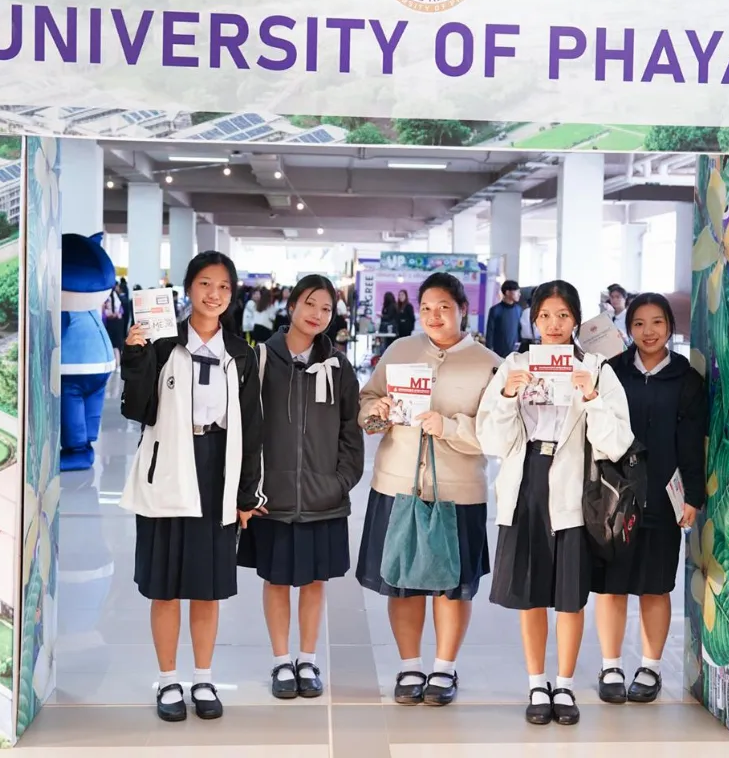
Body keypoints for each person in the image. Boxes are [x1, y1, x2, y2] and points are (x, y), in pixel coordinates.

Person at [476, 280, 633, 727]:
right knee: (530, 595)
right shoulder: (514, 365)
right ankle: (536, 682)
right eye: (544, 315)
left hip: (575, 490)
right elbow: (491, 441)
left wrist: (591, 397)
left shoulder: (596, 368)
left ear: (576, 320)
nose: (553, 324)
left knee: (569, 596)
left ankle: (563, 683)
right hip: (526, 482)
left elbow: (616, 443)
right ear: (533, 319)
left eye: (563, 315)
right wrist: (508, 396)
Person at [118, 251, 265, 723]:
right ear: (188, 289)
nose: (213, 294)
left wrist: (247, 494)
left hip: (217, 470)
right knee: (164, 586)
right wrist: (135, 356)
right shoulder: (163, 342)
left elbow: (252, 428)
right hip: (167, 468)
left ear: (232, 294)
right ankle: (168, 680)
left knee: (207, 586)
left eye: (223, 286)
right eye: (205, 283)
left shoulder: (240, 353)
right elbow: (137, 409)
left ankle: (203, 678)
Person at [355, 272, 500, 707]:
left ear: (463, 310)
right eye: (426, 308)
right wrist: (379, 411)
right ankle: (410, 665)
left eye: (444, 308)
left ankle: (444, 667)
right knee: (401, 582)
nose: (434, 316)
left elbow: (497, 434)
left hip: (459, 493)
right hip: (397, 484)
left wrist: (450, 427)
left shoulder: (488, 363)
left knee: (452, 585)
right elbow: (366, 407)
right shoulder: (400, 350)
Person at [237, 274, 363, 701]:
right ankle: (280, 660)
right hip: (271, 497)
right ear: (291, 306)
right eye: (310, 304)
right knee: (275, 580)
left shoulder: (339, 367)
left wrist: (340, 482)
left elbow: (351, 432)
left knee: (313, 581)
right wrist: (249, 489)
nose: (317, 314)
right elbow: (245, 430)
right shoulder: (259, 360)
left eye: (326, 308)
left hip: (323, 496)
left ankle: (307, 659)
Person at [594, 292, 707, 705]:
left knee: (655, 587)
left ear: (670, 327)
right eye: (639, 324)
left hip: (662, 496)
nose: (648, 332)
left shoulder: (687, 379)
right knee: (611, 586)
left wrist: (692, 495)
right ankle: (610, 666)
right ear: (628, 329)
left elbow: (691, 443)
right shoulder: (611, 372)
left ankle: (650, 667)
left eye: (657, 322)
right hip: (614, 496)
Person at [485, 279, 523, 357]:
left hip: (515, 352)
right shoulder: (495, 310)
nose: (519, 294)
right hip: (498, 352)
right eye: (517, 291)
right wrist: (489, 349)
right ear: (507, 292)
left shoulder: (519, 310)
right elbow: (490, 331)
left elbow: (520, 330)